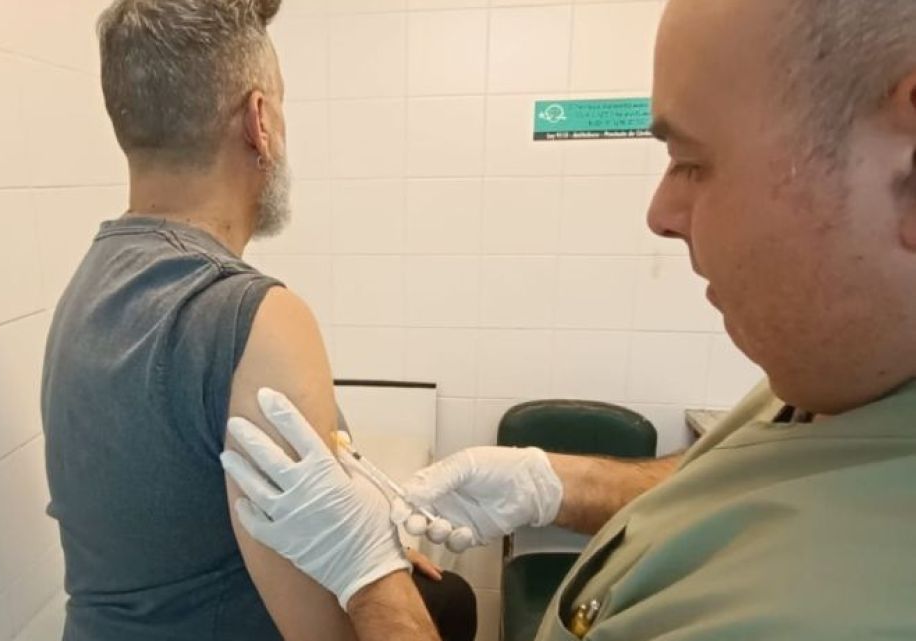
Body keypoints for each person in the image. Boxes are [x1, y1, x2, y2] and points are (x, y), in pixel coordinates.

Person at [221, 0, 916, 639]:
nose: (660, 214)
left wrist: (369, 578)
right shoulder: (843, 378)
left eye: (692, 162)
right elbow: (751, 483)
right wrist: (552, 483)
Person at [41, 1, 474, 640]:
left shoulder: (88, 287)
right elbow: (330, 634)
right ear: (259, 121)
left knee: (448, 597)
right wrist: (374, 577)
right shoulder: (254, 318)